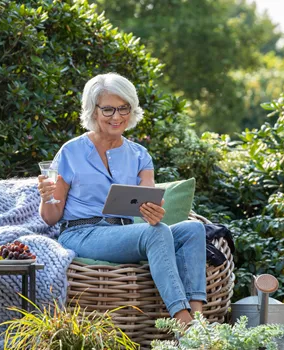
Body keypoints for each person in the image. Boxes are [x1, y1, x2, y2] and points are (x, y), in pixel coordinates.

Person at [37, 72, 206, 325]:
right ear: (93, 111)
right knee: (157, 233)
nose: (116, 117)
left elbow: (150, 201)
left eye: (123, 108)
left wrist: (153, 212)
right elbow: (51, 218)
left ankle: (200, 319)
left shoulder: (140, 155)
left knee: (194, 228)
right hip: (82, 234)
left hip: (124, 233)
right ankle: (183, 324)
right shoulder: (71, 151)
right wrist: (46, 197)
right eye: (108, 110)